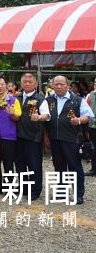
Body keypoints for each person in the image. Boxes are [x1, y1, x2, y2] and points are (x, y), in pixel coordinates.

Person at [45, 75, 95, 205]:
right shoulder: (49, 99)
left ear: (67, 85)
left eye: (62, 84)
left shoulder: (77, 100)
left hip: (71, 139)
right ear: (53, 86)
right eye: (56, 84)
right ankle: (61, 192)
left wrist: (78, 120)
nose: (59, 86)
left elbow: (89, 115)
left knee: (74, 166)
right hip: (55, 138)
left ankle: (78, 194)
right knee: (59, 166)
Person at [15, 72, 50, 199]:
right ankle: (23, 187)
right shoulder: (17, 97)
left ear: (36, 83)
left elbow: (46, 115)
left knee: (34, 164)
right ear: (21, 83)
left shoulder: (40, 99)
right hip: (18, 136)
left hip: (34, 137)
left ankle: (35, 191)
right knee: (20, 164)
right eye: (25, 81)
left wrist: (39, 117)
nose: (27, 83)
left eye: (30, 81)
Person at [0, 75, 22, 196]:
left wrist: (11, 112)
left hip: (9, 136)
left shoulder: (13, 100)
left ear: (6, 86)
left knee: (9, 162)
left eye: (2, 84)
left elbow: (17, 118)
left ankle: (9, 186)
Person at [86, 78, 96, 176]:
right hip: (93, 126)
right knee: (93, 148)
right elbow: (86, 110)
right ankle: (94, 168)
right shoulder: (90, 95)